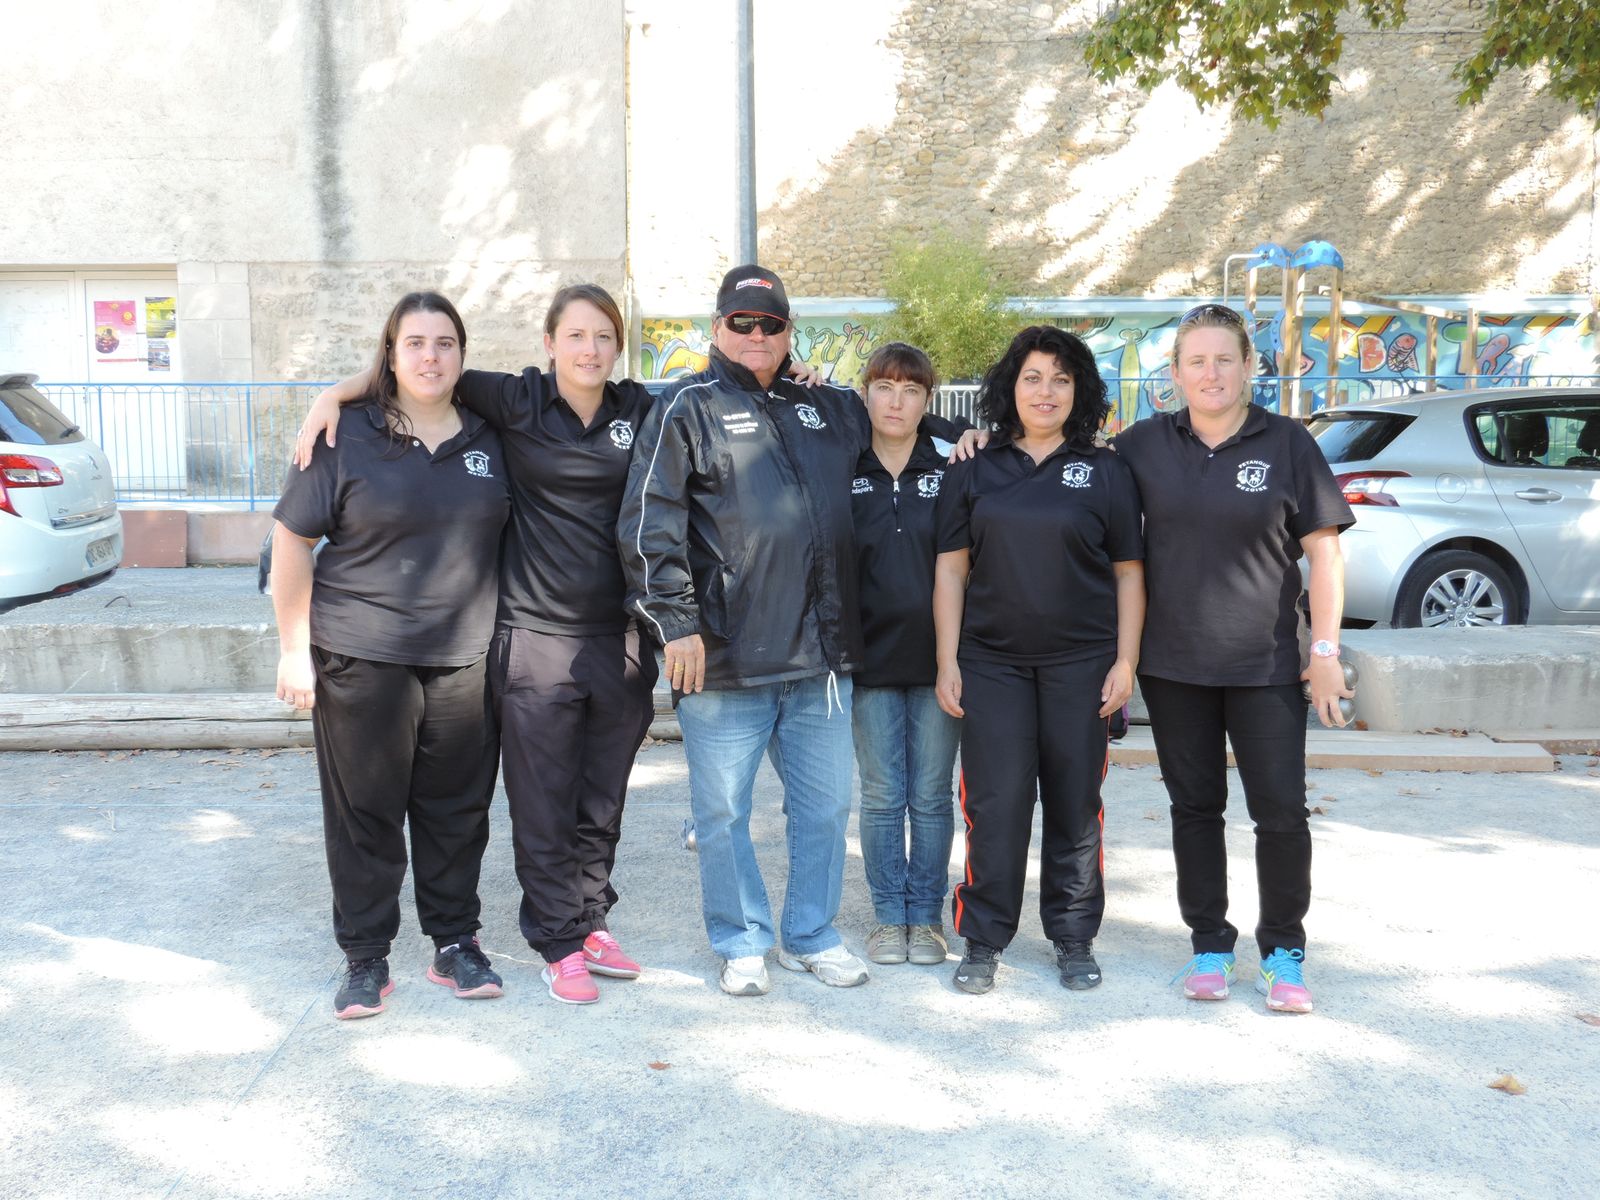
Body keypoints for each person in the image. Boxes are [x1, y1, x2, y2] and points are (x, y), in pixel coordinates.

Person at [296, 284, 661, 1006]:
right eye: (575, 335)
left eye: (603, 337)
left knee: (571, 801)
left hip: (591, 639)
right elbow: (416, 369)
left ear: (618, 347)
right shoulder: (515, 400)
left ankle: (563, 926)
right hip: (515, 637)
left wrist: (807, 377)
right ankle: (534, 940)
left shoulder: (638, 410)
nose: (589, 349)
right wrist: (331, 395)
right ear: (549, 342)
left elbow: (719, 393)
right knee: (522, 800)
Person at [618, 265, 973, 997]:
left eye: (771, 324)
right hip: (722, 659)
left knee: (824, 809)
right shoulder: (686, 406)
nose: (756, 335)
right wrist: (676, 624)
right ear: (716, 328)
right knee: (722, 812)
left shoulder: (827, 406)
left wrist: (959, 434)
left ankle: (808, 933)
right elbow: (650, 521)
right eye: (741, 323)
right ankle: (741, 939)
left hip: (821, 661)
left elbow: (895, 416)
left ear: (789, 332)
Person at [272, 291, 510, 1019]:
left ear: (462, 357)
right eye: (415, 343)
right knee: (365, 812)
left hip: (464, 658)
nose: (430, 356)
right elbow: (291, 540)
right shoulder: (347, 434)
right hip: (360, 652)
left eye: (444, 343)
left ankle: (455, 942)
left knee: (458, 810)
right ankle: (366, 955)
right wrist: (292, 650)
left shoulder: (491, 435)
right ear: (391, 353)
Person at [1113, 302, 1354, 1014]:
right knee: (1195, 809)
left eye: (1225, 359)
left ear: (1250, 366)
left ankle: (1283, 952)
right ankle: (1210, 945)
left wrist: (1326, 651)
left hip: (1268, 667)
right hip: (1174, 664)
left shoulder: (1287, 444)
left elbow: (1325, 554)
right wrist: (969, 437)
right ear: (1175, 373)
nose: (1211, 373)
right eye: (1197, 361)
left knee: (1280, 813)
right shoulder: (1140, 446)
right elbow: (1063, 474)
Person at [933, 325, 1145, 996]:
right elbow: (949, 573)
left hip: (1082, 667)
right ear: (1010, 387)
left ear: (1077, 389)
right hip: (991, 666)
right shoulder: (974, 467)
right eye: (1032, 377)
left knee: (1076, 806)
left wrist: (1126, 662)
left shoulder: (1107, 470)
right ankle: (983, 938)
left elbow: (1130, 576)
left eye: (1060, 377)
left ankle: (1074, 936)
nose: (1045, 390)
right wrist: (948, 659)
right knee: (994, 806)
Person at [849, 342, 962, 968]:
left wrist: (957, 432)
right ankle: (890, 917)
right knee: (881, 794)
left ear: (928, 400)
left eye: (912, 390)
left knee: (931, 795)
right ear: (865, 392)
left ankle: (927, 918)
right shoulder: (844, 460)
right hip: (867, 660)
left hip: (938, 658)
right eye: (884, 387)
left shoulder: (950, 465)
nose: (897, 402)